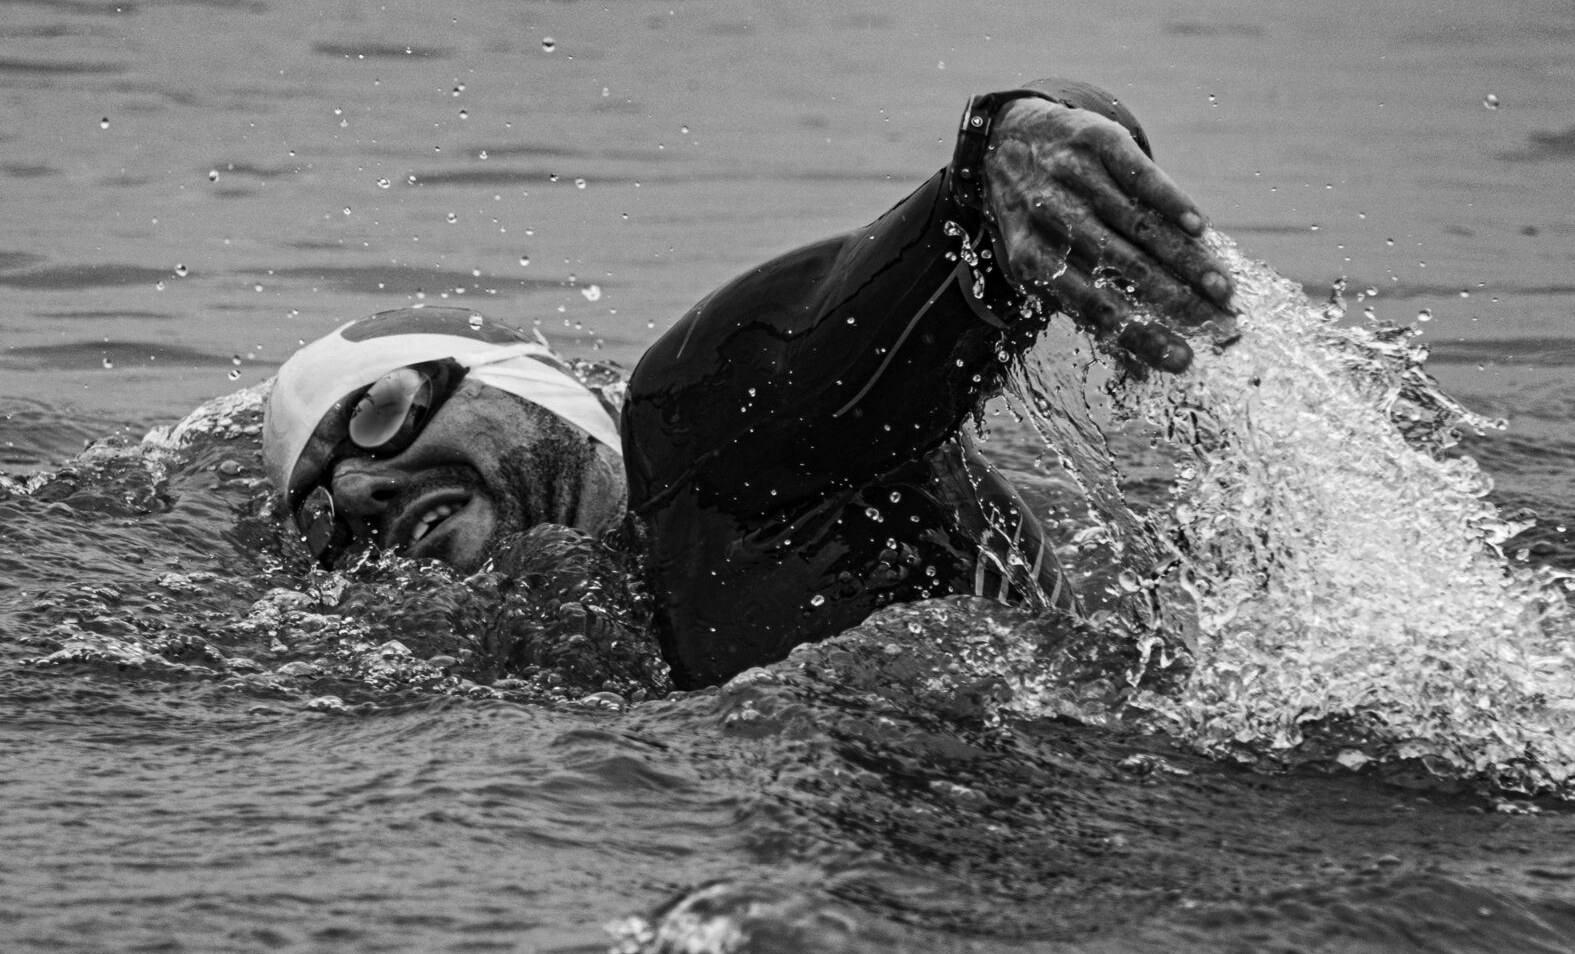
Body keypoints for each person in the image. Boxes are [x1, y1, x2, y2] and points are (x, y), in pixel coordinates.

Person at [262, 78, 1237, 689]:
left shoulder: (694, 439)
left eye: (381, 412)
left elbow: (819, 338)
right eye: (318, 515)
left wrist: (1002, 165)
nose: (356, 490)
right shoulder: (518, 676)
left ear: (539, 392)